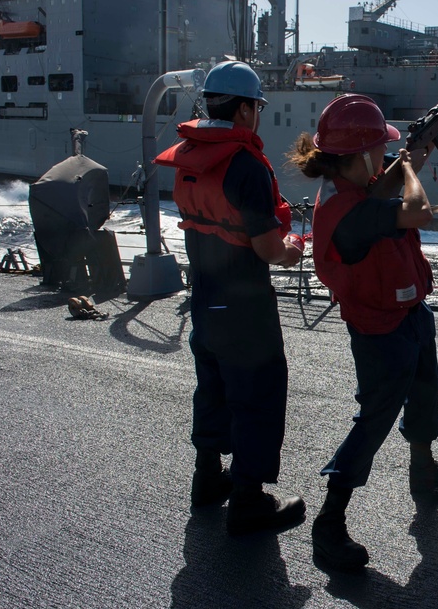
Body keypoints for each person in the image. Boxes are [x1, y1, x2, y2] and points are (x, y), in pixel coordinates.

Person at [287, 92, 438, 570]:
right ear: (360, 155)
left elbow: (382, 190)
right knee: (373, 420)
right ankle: (329, 523)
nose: (385, 156)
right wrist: (410, 168)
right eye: (380, 149)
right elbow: (416, 211)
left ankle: (423, 470)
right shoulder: (348, 213)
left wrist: (437, 128)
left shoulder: (353, 190)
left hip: (408, 313)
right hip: (380, 330)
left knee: (425, 393)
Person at [154, 61, 306, 535]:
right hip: (245, 305)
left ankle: (207, 478)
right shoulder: (245, 166)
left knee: (214, 387)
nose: (257, 115)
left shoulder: (191, 155)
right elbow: (266, 246)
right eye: (256, 107)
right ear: (243, 109)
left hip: (205, 297)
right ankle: (248, 500)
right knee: (257, 396)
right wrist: (293, 251)